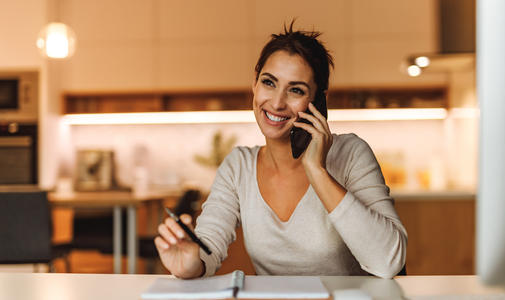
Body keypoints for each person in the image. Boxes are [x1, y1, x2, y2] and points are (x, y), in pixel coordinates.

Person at [154, 23, 407, 279]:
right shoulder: (238, 167)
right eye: (269, 83)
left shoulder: (351, 154)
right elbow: (208, 247)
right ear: (255, 83)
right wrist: (189, 264)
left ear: (318, 100)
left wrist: (317, 171)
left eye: (296, 90)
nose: (276, 102)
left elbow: (388, 262)